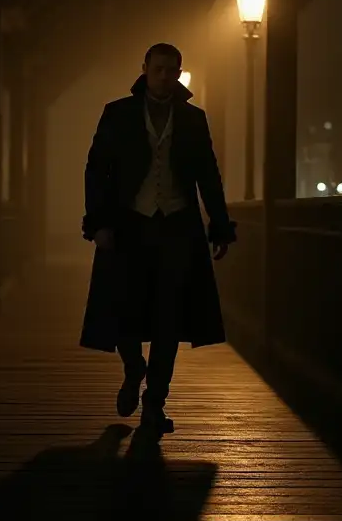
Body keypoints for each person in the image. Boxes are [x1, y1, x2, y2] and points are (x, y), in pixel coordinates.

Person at [79, 42, 236, 437]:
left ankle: (155, 403)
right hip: (129, 226)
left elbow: (208, 176)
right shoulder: (117, 114)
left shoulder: (193, 119)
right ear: (145, 69)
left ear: (180, 73)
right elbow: (97, 171)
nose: (166, 76)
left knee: (170, 319)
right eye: (160, 69)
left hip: (178, 228)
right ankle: (134, 367)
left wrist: (219, 225)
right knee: (124, 311)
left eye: (173, 70)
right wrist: (98, 223)